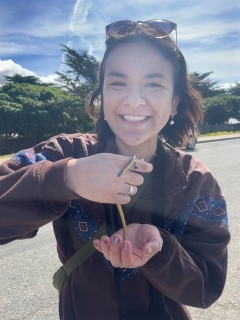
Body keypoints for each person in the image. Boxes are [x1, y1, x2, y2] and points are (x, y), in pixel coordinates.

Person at [0, 19, 230, 320]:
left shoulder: (195, 181)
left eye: (153, 84)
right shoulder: (65, 153)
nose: (134, 100)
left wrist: (161, 250)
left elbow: (207, 286)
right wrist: (66, 178)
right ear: (102, 96)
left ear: (174, 103)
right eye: (118, 83)